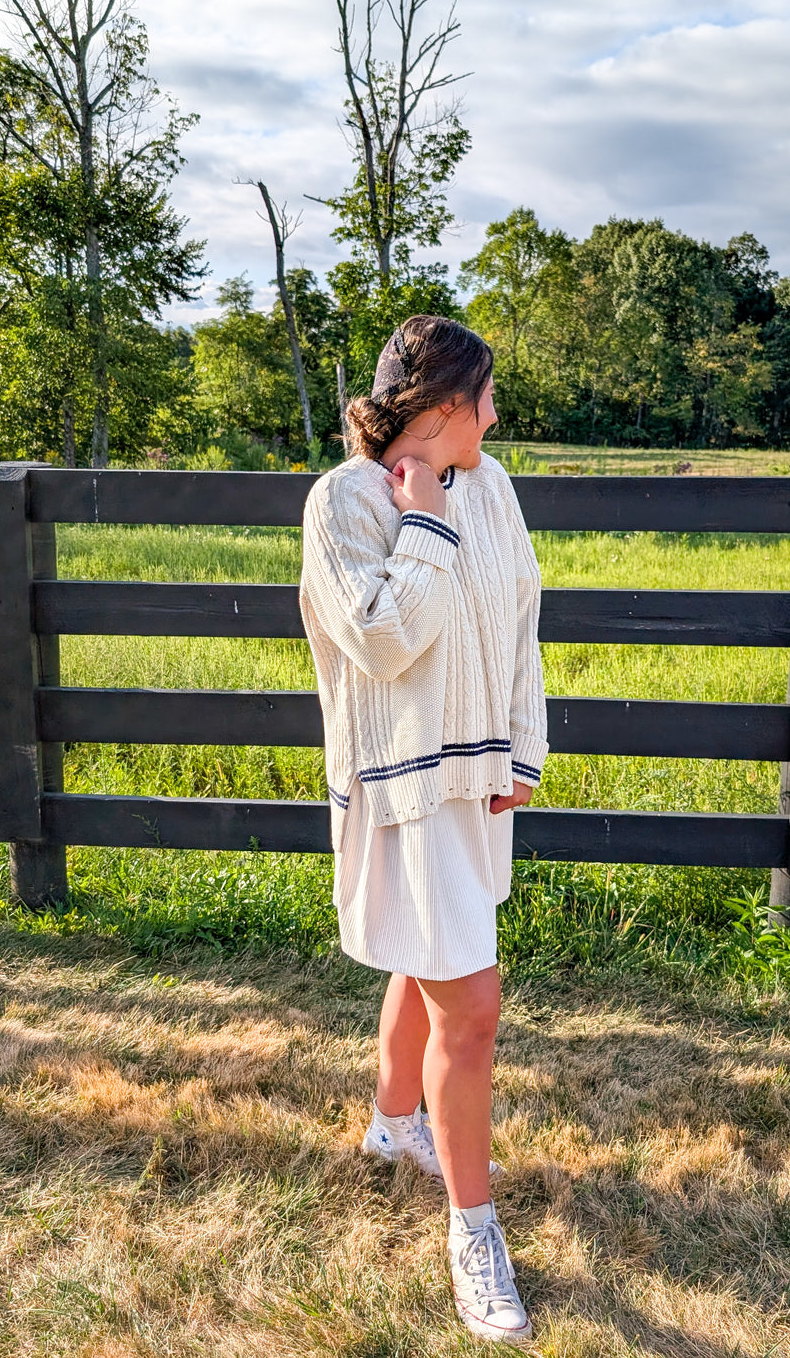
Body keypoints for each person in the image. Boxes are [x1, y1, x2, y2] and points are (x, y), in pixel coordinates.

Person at [298, 314, 549, 1346]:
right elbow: (386, 642)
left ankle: (395, 1125)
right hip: (403, 790)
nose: (496, 415)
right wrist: (424, 524)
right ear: (443, 409)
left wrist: (519, 748)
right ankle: (472, 1232)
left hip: (475, 776)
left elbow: (521, 610)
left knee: (433, 955)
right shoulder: (344, 501)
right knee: (473, 1007)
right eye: (484, 398)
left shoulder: (490, 483)